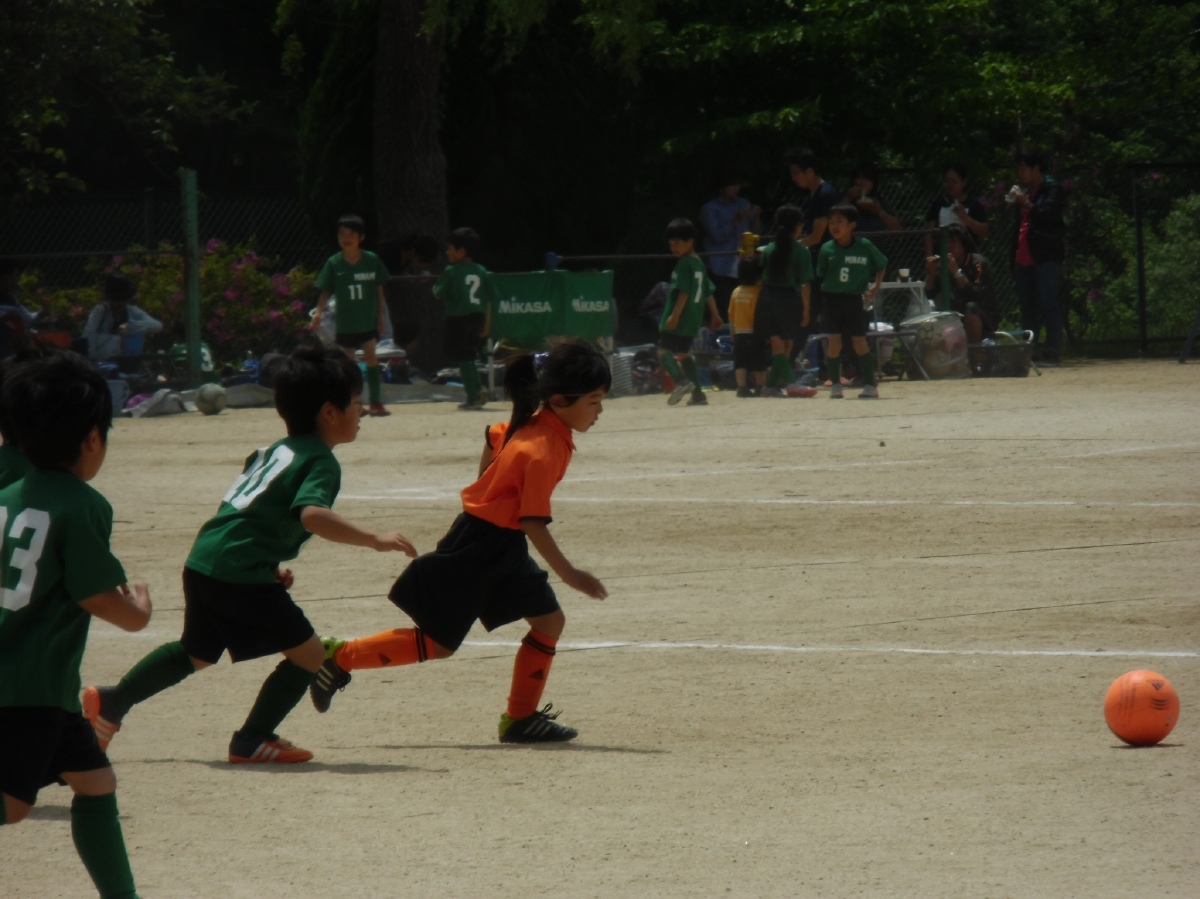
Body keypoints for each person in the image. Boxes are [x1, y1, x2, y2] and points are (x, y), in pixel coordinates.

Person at [81, 345, 417, 765]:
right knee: (312, 656)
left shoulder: (275, 450)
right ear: (329, 413)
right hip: (239, 573)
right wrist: (374, 538)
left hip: (207, 560)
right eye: (355, 402)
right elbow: (312, 515)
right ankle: (252, 739)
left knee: (196, 651)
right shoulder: (321, 461)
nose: (362, 410)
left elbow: (251, 511)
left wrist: (267, 563)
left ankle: (114, 700)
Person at [308, 339, 610, 744]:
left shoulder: (538, 425)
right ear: (559, 400)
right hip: (479, 546)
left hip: (502, 543)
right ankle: (339, 656)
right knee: (438, 644)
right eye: (594, 401)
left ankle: (520, 718)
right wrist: (570, 574)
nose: (599, 411)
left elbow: (494, 435)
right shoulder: (541, 449)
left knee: (549, 620)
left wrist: (489, 484)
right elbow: (533, 522)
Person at [0, 350, 152, 899]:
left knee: (95, 782)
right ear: (92, 440)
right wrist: (138, 611)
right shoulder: (82, 504)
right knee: (13, 807)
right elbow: (98, 598)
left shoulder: (7, 495)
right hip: (25, 686)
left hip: (50, 686)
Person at [312, 214, 392, 416]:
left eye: (351, 234)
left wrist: (381, 317)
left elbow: (379, 290)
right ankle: (353, 403)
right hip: (346, 323)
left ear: (361, 237)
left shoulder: (371, 260)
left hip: (367, 320)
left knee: (371, 358)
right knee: (348, 363)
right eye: (342, 234)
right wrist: (318, 313)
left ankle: (376, 402)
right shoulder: (334, 263)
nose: (346, 238)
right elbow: (325, 291)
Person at [816, 205, 888, 398]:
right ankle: (836, 385)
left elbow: (882, 264)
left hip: (853, 300)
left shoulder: (864, 245)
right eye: (832, 222)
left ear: (852, 225)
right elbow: (822, 274)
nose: (835, 226)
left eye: (840, 222)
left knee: (859, 342)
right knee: (834, 343)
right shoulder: (827, 248)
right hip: (831, 300)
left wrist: (876, 285)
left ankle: (870, 385)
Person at [1009, 151, 1067, 366]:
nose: (1019, 173)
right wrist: (1011, 258)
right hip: (1023, 258)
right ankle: (1030, 352)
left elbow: (1047, 215)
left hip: (1044, 256)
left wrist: (1025, 203)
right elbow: (1018, 228)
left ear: (1036, 169)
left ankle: (1052, 352)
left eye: (1023, 168)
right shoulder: (1027, 193)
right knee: (1028, 309)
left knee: (1049, 303)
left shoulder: (1052, 189)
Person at [658, 218, 723, 406]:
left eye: (678, 243)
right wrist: (715, 314)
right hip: (694, 317)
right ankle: (698, 395)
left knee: (662, 351)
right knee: (684, 353)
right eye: (671, 244)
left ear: (690, 242)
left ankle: (681, 382)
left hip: (679, 315)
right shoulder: (699, 263)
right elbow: (708, 292)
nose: (674, 248)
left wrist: (674, 315)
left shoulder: (684, 264)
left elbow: (684, 292)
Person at [432, 227, 496, 410]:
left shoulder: (451, 271)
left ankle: (474, 394)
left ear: (461, 252)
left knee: (463, 357)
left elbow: (437, 293)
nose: (447, 252)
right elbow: (489, 300)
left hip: (458, 319)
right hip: (478, 318)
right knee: (469, 356)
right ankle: (478, 388)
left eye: (450, 248)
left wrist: (434, 288)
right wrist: (487, 324)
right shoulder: (481, 270)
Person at [754, 206, 813, 396]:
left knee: (778, 344)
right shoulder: (802, 251)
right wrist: (806, 309)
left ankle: (769, 386)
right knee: (785, 345)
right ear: (798, 227)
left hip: (767, 297)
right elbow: (805, 284)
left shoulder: (769, 249)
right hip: (788, 298)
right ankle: (791, 383)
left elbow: (760, 276)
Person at [699, 167, 762, 321]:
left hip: (744, 265)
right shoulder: (710, 209)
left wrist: (757, 217)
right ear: (721, 188)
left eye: (737, 184)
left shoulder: (743, 203)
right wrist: (736, 220)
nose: (736, 188)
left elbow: (757, 234)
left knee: (746, 311)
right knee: (724, 310)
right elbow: (717, 237)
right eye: (731, 185)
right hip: (722, 268)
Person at [924, 223, 999, 343]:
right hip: (955, 314)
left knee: (971, 307)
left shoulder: (978, 264)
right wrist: (931, 274)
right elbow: (929, 294)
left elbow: (976, 295)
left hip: (982, 314)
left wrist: (956, 272)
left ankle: (972, 350)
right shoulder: (944, 265)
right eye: (946, 242)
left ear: (963, 245)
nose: (949, 246)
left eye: (953, 242)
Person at [82, 275, 162, 360]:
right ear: (111, 298)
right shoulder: (101, 310)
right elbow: (88, 335)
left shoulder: (132, 310)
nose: (120, 303)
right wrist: (92, 358)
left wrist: (129, 326)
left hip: (126, 359)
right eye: (117, 299)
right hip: (101, 357)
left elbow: (158, 325)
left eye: (124, 299)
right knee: (116, 341)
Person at [925, 163, 990, 256]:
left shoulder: (973, 205)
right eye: (947, 181)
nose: (950, 185)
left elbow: (984, 231)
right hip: (943, 256)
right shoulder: (938, 204)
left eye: (954, 181)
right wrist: (929, 257)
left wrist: (966, 218)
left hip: (968, 256)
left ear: (964, 182)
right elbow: (929, 233)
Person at [842, 163, 901, 260]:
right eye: (859, 178)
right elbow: (836, 217)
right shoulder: (847, 199)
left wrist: (880, 212)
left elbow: (897, 229)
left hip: (875, 255)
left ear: (873, 183)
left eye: (867, 179)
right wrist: (848, 198)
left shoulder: (879, 201)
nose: (862, 182)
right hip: (850, 255)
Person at [728, 256, 765, 397]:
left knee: (740, 362)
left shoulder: (736, 291)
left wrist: (732, 330)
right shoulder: (758, 292)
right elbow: (760, 314)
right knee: (758, 361)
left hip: (739, 333)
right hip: (755, 333)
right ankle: (760, 386)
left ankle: (741, 387)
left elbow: (731, 313)